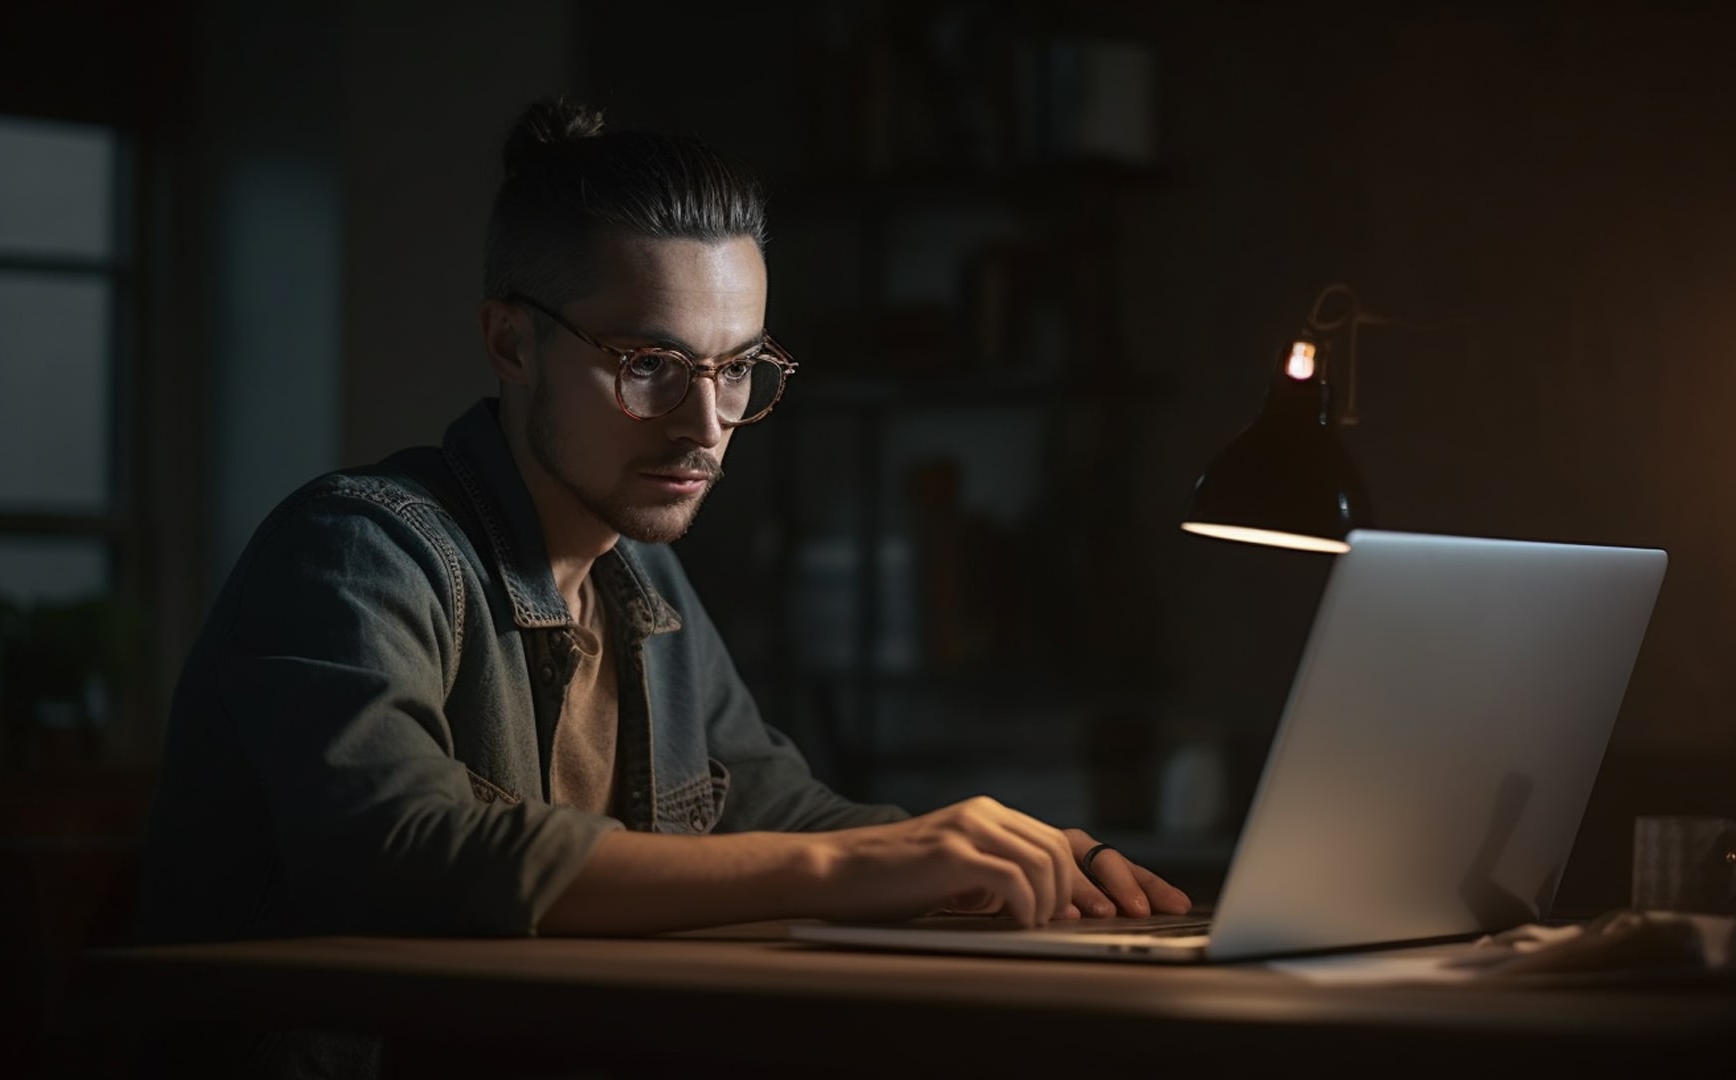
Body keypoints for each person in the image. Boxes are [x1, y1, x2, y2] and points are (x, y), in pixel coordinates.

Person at [136, 97, 1187, 964]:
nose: (708, 426)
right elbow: (402, 847)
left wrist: (1019, 852)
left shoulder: (644, 581)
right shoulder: (358, 552)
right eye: (650, 365)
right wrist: (861, 868)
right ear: (510, 341)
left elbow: (777, 813)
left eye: (737, 370)